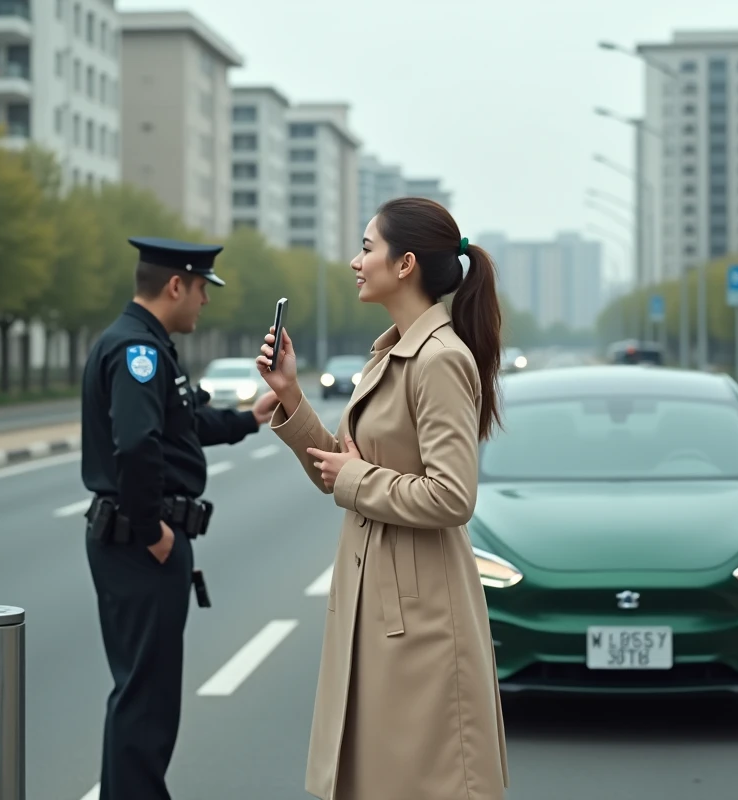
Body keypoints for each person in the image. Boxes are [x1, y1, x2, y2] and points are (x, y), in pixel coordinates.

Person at [256, 197, 510, 800]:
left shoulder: (439, 359)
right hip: (379, 599)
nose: (355, 261)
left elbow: (452, 496)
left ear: (405, 264)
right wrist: (290, 395)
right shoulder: (392, 354)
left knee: (423, 782)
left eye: (367, 247)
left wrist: (355, 478)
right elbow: (342, 470)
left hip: (421, 615)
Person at [81, 236, 277, 800]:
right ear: (175, 286)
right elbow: (137, 444)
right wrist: (153, 532)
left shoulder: (146, 345)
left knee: (143, 697)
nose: (205, 301)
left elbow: (179, 428)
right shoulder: (137, 352)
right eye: (201, 289)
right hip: (140, 543)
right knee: (146, 703)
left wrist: (248, 419)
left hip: (136, 542)